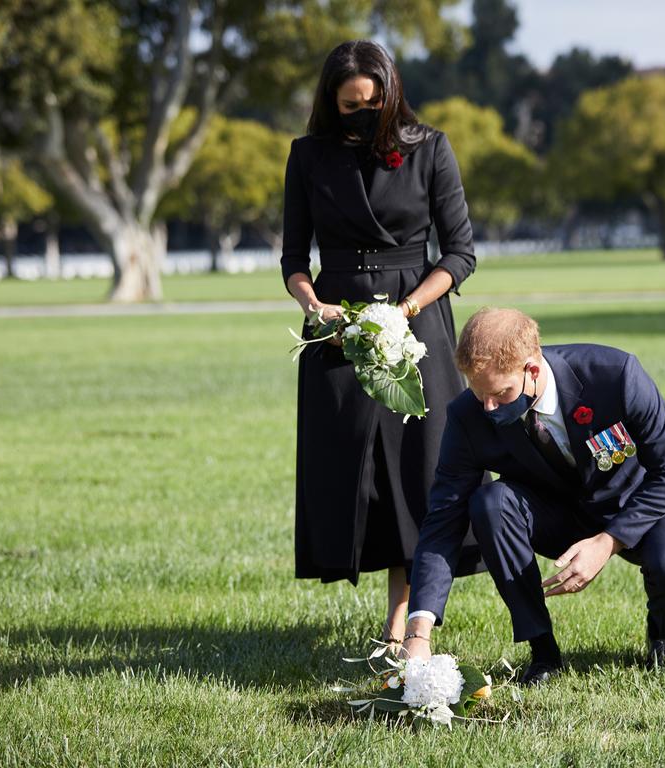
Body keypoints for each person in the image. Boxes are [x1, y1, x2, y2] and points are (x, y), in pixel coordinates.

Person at [281, 40, 482, 644]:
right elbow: (295, 256)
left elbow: (460, 252)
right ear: (331, 102)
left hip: (414, 317)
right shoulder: (307, 156)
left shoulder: (431, 149)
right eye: (350, 105)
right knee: (349, 468)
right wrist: (312, 303)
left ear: (390, 95)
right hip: (337, 321)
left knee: (413, 468)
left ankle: (404, 617)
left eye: (373, 102)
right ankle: (370, 580)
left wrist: (409, 308)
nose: (363, 113)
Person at [402, 308, 665, 684]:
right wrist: (418, 631)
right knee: (489, 503)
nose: (488, 408)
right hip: (558, 513)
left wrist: (608, 542)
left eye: (499, 393)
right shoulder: (468, 416)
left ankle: (664, 632)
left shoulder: (615, 375)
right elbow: (443, 517)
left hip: (640, 502)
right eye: (478, 394)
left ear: (532, 369)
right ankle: (542, 651)